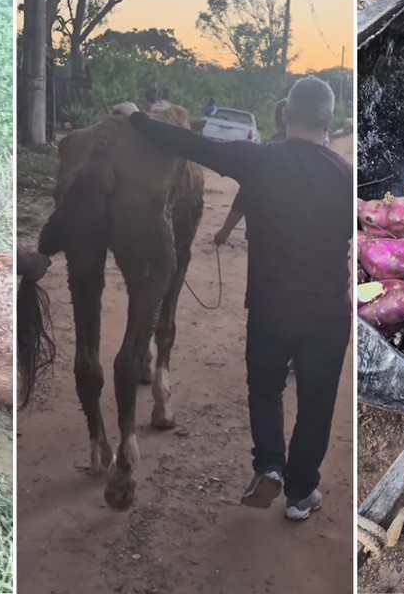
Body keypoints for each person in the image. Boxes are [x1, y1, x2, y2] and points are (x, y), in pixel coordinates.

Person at [126, 76, 352, 521]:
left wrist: (133, 116)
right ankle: (302, 493)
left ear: (286, 114)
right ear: (328, 120)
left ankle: (269, 465)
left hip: (270, 309)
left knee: (265, 389)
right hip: (327, 313)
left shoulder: (258, 161)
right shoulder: (345, 175)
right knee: (317, 401)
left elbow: (190, 144)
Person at [213, 98, 287, 246]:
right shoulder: (321, 159)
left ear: (281, 118)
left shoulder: (268, 154)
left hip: (264, 236)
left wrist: (225, 231)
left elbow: (247, 194)